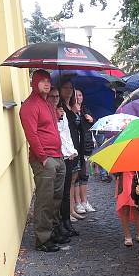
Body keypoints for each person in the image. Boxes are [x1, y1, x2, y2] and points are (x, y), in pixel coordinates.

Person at [18, 70, 66, 252]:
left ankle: (53, 232)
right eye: (42, 81)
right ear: (34, 83)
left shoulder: (47, 104)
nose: (46, 84)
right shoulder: (30, 106)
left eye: (48, 81)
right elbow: (32, 134)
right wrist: (44, 158)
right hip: (45, 159)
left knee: (56, 198)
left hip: (57, 156)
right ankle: (43, 239)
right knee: (45, 200)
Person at [48, 88, 77, 240]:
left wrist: (71, 151)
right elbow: (55, 134)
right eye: (52, 96)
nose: (55, 98)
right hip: (56, 155)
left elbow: (66, 134)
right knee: (58, 194)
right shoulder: (49, 113)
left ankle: (66, 222)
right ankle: (58, 225)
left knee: (65, 192)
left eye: (57, 96)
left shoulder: (62, 113)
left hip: (67, 154)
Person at [59, 80, 86, 221]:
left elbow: (79, 127)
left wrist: (79, 114)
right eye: (65, 87)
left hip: (77, 148)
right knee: (68, 181)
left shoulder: (72, 106)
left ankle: (72, 209)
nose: (69, 90)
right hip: (68, 149)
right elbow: (65, 127)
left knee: (73, 179)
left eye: (71, 88)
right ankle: (67, 212)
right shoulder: (61, 107)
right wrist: (73, 113)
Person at [72, 89, 96, 213]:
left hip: (86, 146)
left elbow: (90, 128)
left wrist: (92, 120)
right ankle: (77, 203)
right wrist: (75, 113)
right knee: (76, 175)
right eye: (76, 95)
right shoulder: (70, 110)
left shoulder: (86, 110)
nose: (78, 97)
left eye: (80, 95)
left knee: (85, 175)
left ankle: (84, 201)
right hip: (75, 147)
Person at [115, 171, 139, 247]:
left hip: (136, 181)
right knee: (124, 209)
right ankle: (127, 236)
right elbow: (115, 172)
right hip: (124, 182)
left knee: (137, 208)